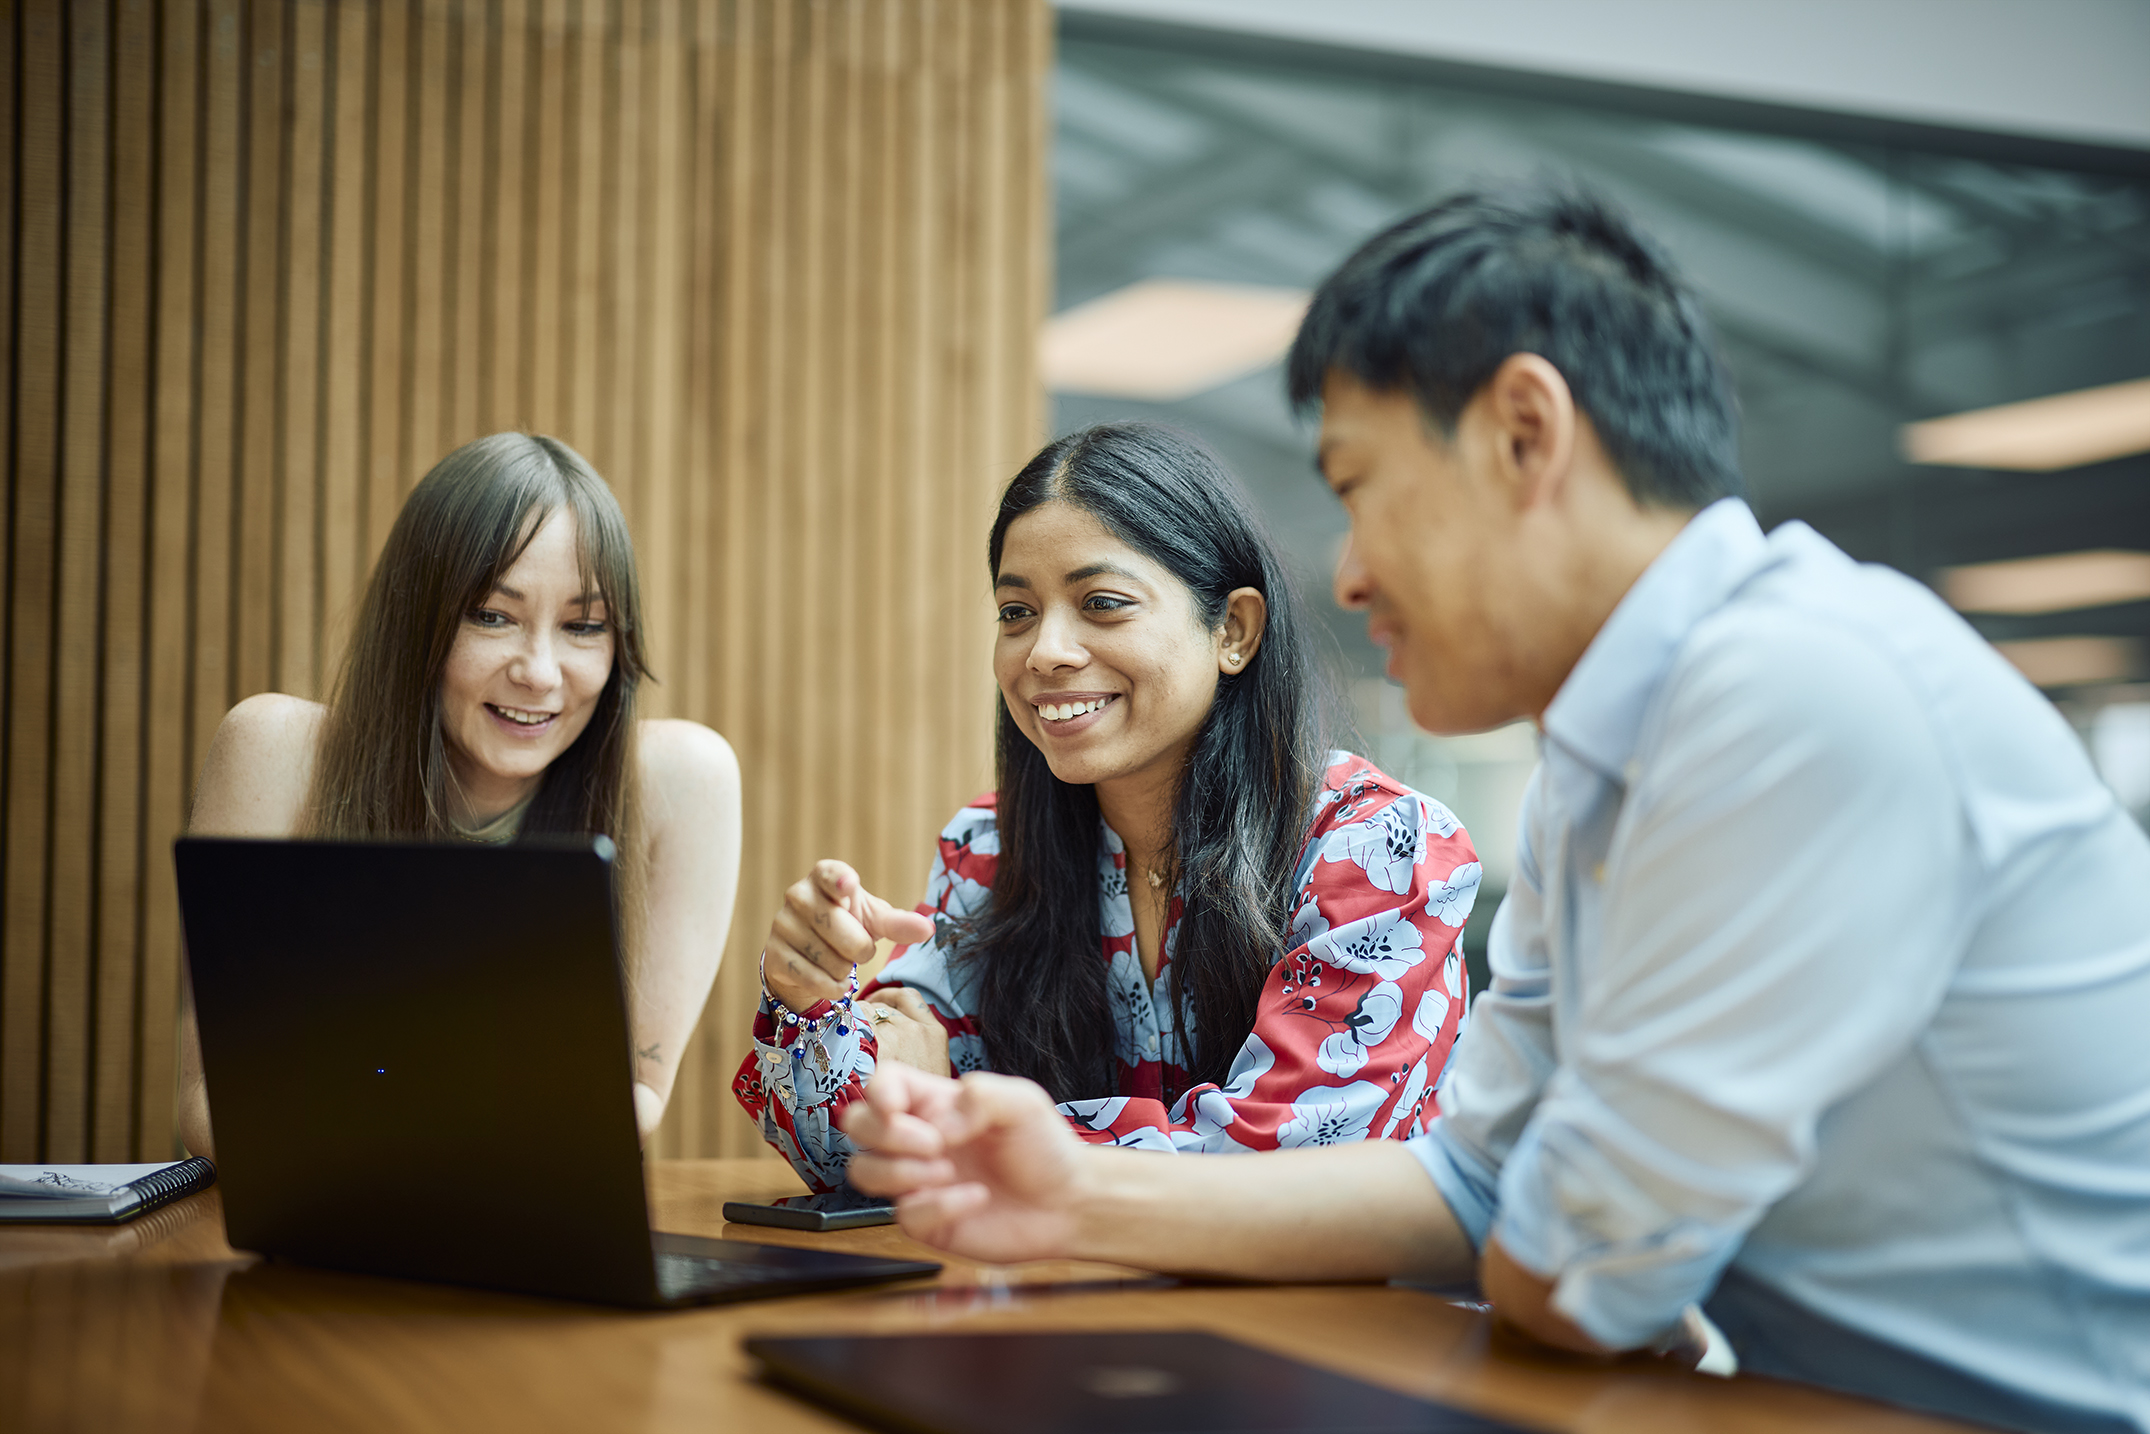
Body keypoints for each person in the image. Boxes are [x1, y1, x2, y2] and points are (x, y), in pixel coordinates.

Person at [839, 189, 2150, 1434]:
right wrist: (1069, 1189)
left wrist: (1551, 1246)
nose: (1344, 575)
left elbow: (1576, 1271)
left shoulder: (1793, 691)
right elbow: (1473, 1187)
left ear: (1526, 434)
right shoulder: (1603, 756)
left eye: (1357, 488)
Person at [734, 422, 1483, 1191]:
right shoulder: (990, 850)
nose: (1044, 651)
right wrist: (816, 1005)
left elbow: (1279, 1170)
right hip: (1058, 1302)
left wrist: (959, 1133)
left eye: (1102, 602)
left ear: (1233, 630)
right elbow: (854, 1144)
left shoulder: (1376, 848)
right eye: (1016, 612)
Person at [179, 433, 742, 1156]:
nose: (540, 672)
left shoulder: (681, 781)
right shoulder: (276, 753)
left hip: (531, 1227)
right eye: (493, 615)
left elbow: (636, 1095)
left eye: (583, 626)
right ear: (418, 622)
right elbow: (210, 1109)